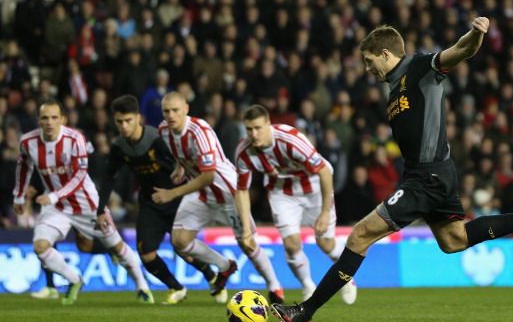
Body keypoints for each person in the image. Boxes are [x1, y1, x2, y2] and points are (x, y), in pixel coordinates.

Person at [271, 17, 513, 322]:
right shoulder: (393, 90)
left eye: (369, 61)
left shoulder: (422, 68)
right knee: (453, 240)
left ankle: (305, 311)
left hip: (427, 177)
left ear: (385, 54)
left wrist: (476, 34)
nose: (367, 69)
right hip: (432, 174)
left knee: (359, 236)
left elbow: (460, 51)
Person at [13, 99, 152, 305]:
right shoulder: (28, 142)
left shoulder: (75, 138)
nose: (49, 122)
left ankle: (142, 286)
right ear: (38, 120)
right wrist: (19, 194)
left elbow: (79, 176)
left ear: (63, 119)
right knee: (40, 246)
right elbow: (24, 168)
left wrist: (53, 196)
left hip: (86, 204)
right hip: (56, 207)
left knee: (116, 247)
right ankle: (74, 280)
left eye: (54, 117)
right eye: (45, 118)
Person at [152, 92, 285, 303]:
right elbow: (181, 153)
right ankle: (225, 266)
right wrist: (179, 167)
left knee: (248, 244)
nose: (170, 115)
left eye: (175, 110)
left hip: (228, 193)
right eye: (166, 111)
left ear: (186, 108)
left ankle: (275, 287)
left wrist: (171, 193)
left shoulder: (199, 131)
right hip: (201, 194)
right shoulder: (164, 131)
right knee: (179, 241)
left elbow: (208, 176)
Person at [95, 94, 224, 304]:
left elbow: (181, 159)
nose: (124, 126)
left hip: (176, 199)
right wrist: (100, 209)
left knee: (183, 248)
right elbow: (109, 177)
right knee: (146, 253)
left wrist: (179, 170)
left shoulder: (157, 138)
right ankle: (176, 288)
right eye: (119, 122)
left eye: (128, 121)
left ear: (139, 118)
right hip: (150, 202)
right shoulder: (119, 147)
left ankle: (211, 276)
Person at [235, 105, 357, 304]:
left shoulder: (291, 140)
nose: (253, 134)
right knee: (291, 246)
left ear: (268, 124)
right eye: (249, 129)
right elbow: (241, 189)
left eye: (257, 128)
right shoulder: (244, 152)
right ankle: (308, 285)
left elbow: (324, 172)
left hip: (315, 188)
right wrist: (246, 229)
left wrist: (325, 212)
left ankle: (347, 276)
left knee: (325, 243)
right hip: (282, 192)